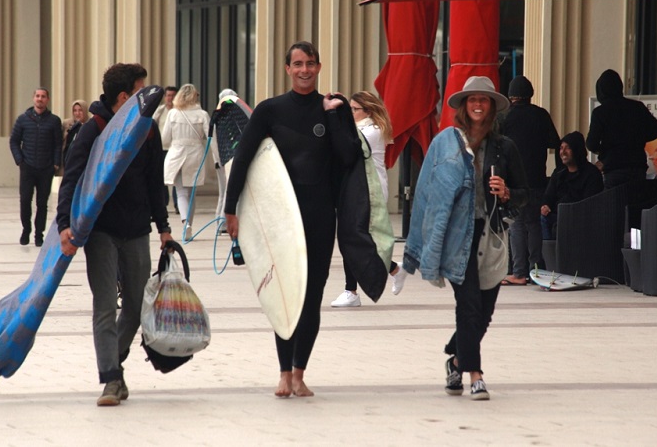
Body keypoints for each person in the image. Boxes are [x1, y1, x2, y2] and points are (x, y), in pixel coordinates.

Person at [224, 41, 360, 397]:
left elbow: (348, 157)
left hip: (319, 214)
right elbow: (244, 159)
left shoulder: (333, 108)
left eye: (310, 64)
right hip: (280, 216)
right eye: (297, 64)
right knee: (283, 292)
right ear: (287, 68)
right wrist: (230, 208)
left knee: (311, 295)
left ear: (318, 67)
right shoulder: (270, 111)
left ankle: (300, 373)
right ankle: (283, 373)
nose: (304, 70)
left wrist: (332, 115)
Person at [402, 76, 528, 401]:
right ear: (463, 105)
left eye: (483, 100)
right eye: (472, 99)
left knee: (484, 312)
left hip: (490, 237)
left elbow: (526, 193)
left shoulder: (504, 147)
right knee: (469, 306)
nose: (477, 104)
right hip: (458, 238)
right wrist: (423, 241)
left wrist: (508, 192)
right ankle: (476, 375)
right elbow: (427, 190)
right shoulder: (446, 142)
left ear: (491, 107)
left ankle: (456, 359)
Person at [56, 62, 172, 406]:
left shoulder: (148, 130)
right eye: (140, 91)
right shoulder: (94, 131)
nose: (146, 98)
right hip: (102, 232)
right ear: (124, 97)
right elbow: (72, 179)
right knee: (105, 305)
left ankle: (114, 365)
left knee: (135, 306)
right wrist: (65, 224)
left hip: (137, 230)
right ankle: (110, 379)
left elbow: (155, 182)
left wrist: (164, 227)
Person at [330, 90, 407, 308]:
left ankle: (352, 290)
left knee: (353, 239)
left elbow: (348, 145)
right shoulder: (359, 128)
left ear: (368, 111)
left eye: (354, 109)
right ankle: (394, 270)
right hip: (356, 190)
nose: (351, 113)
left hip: (370, 192)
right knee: (355, 239)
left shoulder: (372, 130)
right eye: (351, 109)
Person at [497, 75, 560, 285]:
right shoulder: (541, 115)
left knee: (516, 224)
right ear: (530, 94)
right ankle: (535, 271)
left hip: (515, 181)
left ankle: (519, 272)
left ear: (511, 96)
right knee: (534, 224)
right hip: (537, 177)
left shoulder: (505, 117)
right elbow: (554, 142)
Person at [586, 69, 657, 189]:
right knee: (636, 202)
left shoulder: (600, 113)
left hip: (613, 167)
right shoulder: (637, 107)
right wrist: (637, 140)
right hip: (637, 166)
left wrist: (606, 150)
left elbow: (591, 144)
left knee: (614, 204)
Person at [9, 87, 63, 246]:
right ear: (34, 98)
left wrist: (55, 164)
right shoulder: (23, 119)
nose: (40, 99)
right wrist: (19, 160)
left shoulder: (54, 121)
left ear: (47, 99)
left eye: (43, 96)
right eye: (38, 96)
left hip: (46, 168)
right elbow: (14, 141)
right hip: (28, 167)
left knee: (42, 203)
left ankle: (39, 234)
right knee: (25, 200)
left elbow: (58, 144)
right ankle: (26, 230)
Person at [162, 83, 209, 241]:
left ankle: (185, 222)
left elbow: (165, 138)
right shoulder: (202, 114)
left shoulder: (173, 114)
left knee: (181, 192)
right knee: (191, 193)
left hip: (177, 153)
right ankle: (189, 223)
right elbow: (210, 137)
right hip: (195, 154)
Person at [540, 131, 604, 239]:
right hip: (558, 216)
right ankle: (549, 253)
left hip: (580, 219)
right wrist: (545, 205)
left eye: (568, 148)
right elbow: (548, 195)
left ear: (576, 149)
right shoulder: (559, 172)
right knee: (542, 218)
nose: (563, 152)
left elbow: (590, 203)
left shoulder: (591, 174)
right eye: (561, 148)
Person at [211, 88, 240, 223]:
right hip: (225, 160)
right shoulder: (220, 117)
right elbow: (215, 141)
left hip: (227, 159)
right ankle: (222, 221)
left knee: (225, 192)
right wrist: (219, 159)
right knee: (226, 191)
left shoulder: (229, 116)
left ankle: (220, 220)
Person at [153, 86, 179, 213]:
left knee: (177, 177)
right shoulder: (160, 111)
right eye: (168, 95)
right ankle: (163, 202)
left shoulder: (179, 111)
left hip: (176, 148)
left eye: (173, 95)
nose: (170, 98)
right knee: (162, 176)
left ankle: (178, 204)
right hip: (162, 148)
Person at [61, 99, 89, 167]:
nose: (77, 113)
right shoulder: (67, 124)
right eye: (75, 110)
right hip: (69, 160)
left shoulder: (90, 124)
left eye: (80, 110)